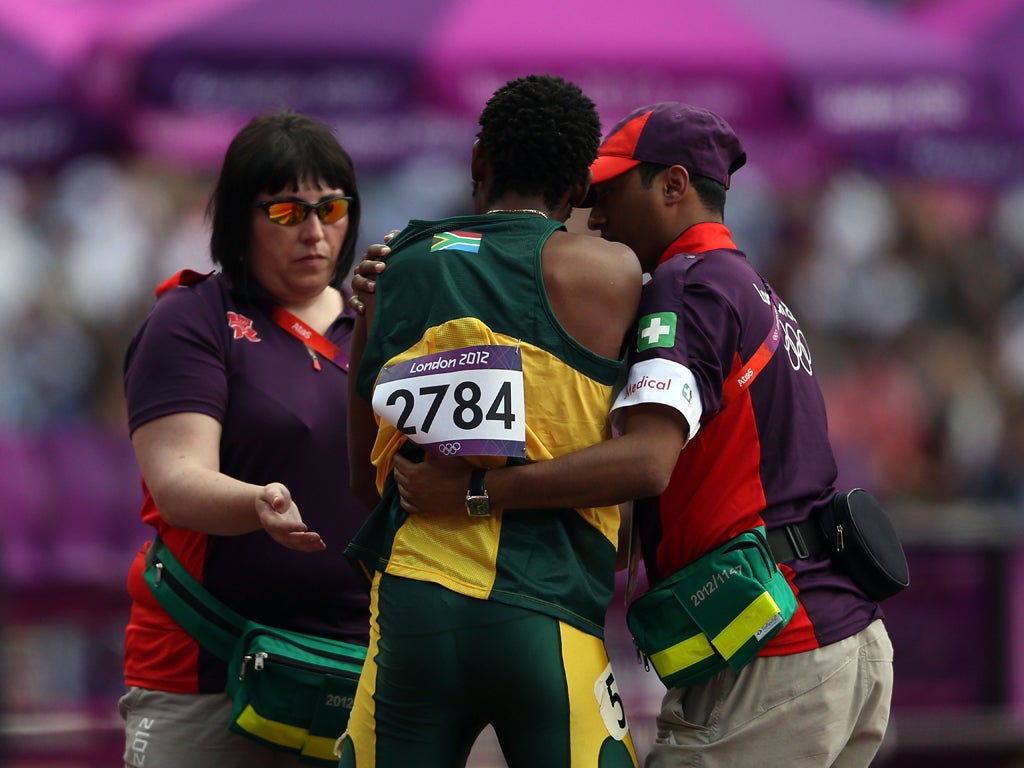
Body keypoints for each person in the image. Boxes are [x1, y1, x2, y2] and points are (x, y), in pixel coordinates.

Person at [386, 103, 895, 767]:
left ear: (674, 186)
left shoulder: (687, 286)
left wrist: (478, 490)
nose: (595, 216)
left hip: (775, 654)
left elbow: (647, 462)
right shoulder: (749, 285)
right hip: (841, 644)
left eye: (609, 193)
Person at [338, 74, 642, 768]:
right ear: (579, 187)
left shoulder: (391, 269)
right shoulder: (612, 273)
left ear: (479, 163)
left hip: (412, 607)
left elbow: (365, 479)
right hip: (545, 610)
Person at [119, 110, 370, 768]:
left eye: (332, 208)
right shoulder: (192, 319)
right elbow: (178, 483)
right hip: (210, 670)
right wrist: (256, 503)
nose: (315, 234)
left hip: (362, 669)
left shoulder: (382, 325)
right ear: (238, 220)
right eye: (286, 213)